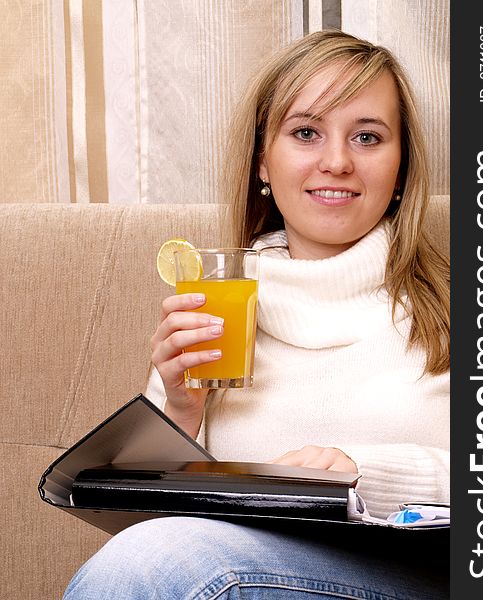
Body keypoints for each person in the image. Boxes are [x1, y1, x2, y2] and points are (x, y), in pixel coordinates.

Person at [63, 30, 450, 599]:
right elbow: (143, 534)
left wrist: (359, 471)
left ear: (400, 169)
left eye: (367, 137)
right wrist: (180, 410)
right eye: (305, 133)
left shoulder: (462, 307)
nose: (337, 161)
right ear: (262, 162)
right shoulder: (214, 305)